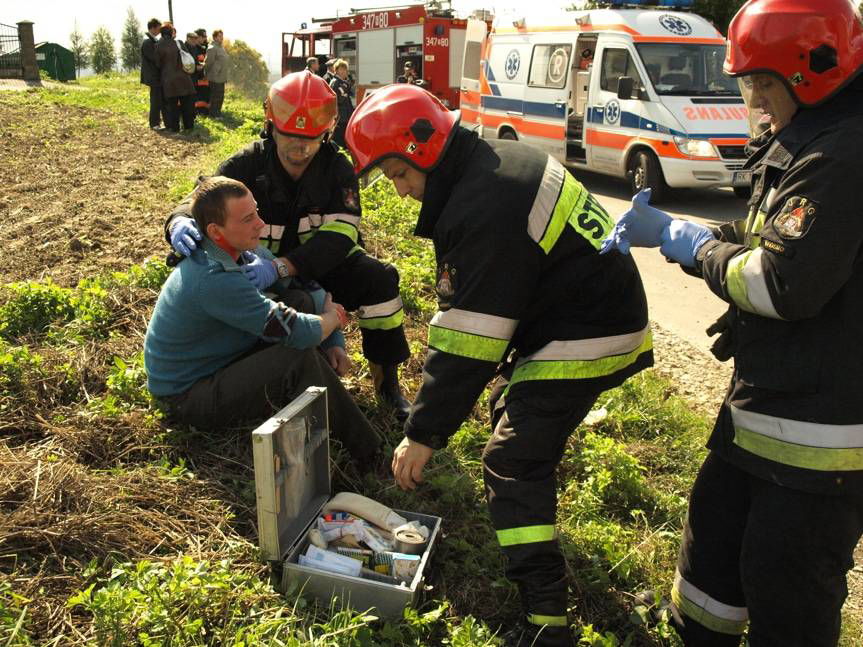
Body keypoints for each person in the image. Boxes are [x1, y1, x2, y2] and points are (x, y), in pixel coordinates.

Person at [345, 84, 653, 647]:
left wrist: (423, 434)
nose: (403, 192)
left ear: (422, 150)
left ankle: (546, 624)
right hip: (583, 314)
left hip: (586, 331)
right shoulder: (492, 163)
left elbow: (471, 339)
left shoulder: (483, 203)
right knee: (512, 415)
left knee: (510, 460)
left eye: (397, 175)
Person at [601, 1, 863, 644]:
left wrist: (693, 246)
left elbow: (779, 281)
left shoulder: (845, 154)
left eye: (761, 84)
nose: (756, 101)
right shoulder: (808, 138)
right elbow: (764, 239)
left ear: (811, 72)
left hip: (822, 434)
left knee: (786, 587)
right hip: (767, 403)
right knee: (712, 552)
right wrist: (699, 236)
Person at [163, 71, 412, 419]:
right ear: (271, 126)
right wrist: (178, 221)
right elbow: (199, 199)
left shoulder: (338, 168)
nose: (301, 147)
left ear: (327, 132)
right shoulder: (245, 164)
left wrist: (283, 267)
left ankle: (387, 384)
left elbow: (340, 236)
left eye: (312, 138)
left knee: (380, 280)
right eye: (291, 136)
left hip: (317, 266)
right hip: (259, 275)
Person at [144, 175, 381, 462]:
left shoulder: (235, 248)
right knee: (297, 356)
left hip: (218, 357)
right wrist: (335, 318)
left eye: (256, 211)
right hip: (188, 396)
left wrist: (334, 341)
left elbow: (302, 289)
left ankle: (319, 395)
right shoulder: (212, 278)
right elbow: (299, 332)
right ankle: (370, 455)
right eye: (247, 219)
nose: (260, 223)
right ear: (216, 231)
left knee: (300, 301)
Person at [155, 22, 196, 133]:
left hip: (169, 81)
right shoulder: (179, 43)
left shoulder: (158, 46)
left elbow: (157, 64)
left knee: (172, 107)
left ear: (161, 33)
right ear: (171, 32)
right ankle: (188, 127)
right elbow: (188, 58)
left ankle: (174, 128)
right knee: (186, 104)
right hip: (184, 79)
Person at [140, 18, 164, 129]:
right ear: (153, 28)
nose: (160, 31)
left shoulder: (152, 40)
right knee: (155, 100)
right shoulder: (147, 42)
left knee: (157, 99)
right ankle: (154, 123)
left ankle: (156, 122)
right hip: (153, 76)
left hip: (155, 75)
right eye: (159, 28)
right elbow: (154, 59)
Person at [329, 59, 354, 148]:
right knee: (339, 137)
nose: (344, 72)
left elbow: (350, 94)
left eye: (345, 69)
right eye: (342, 69)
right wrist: (343, 90)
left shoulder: (343, 82)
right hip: (340, 115)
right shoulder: (335, 82)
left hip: (345, 114)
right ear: (337, 70)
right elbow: (337, 100)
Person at [205, 29, 228, 118]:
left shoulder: (221, 47)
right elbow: (208, 62)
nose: (221, 38)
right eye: (219, 36)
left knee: (220, 96)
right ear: (214, 37)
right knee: (216, 96)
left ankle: (217, 113)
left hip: (221, 76)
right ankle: (213, 114)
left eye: (222, 36)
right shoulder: (212, 48)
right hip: (215, 76)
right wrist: (206, 74)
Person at [193, 28, 210, 115]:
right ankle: (197, 112)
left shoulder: (205, 48)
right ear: (198, 37)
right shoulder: (193, 48)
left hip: (205, 80)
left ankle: (204, 111)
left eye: (206, 36)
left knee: (205, 97)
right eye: (203, 36)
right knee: (197, 97)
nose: (205, 38)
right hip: (196, 79)